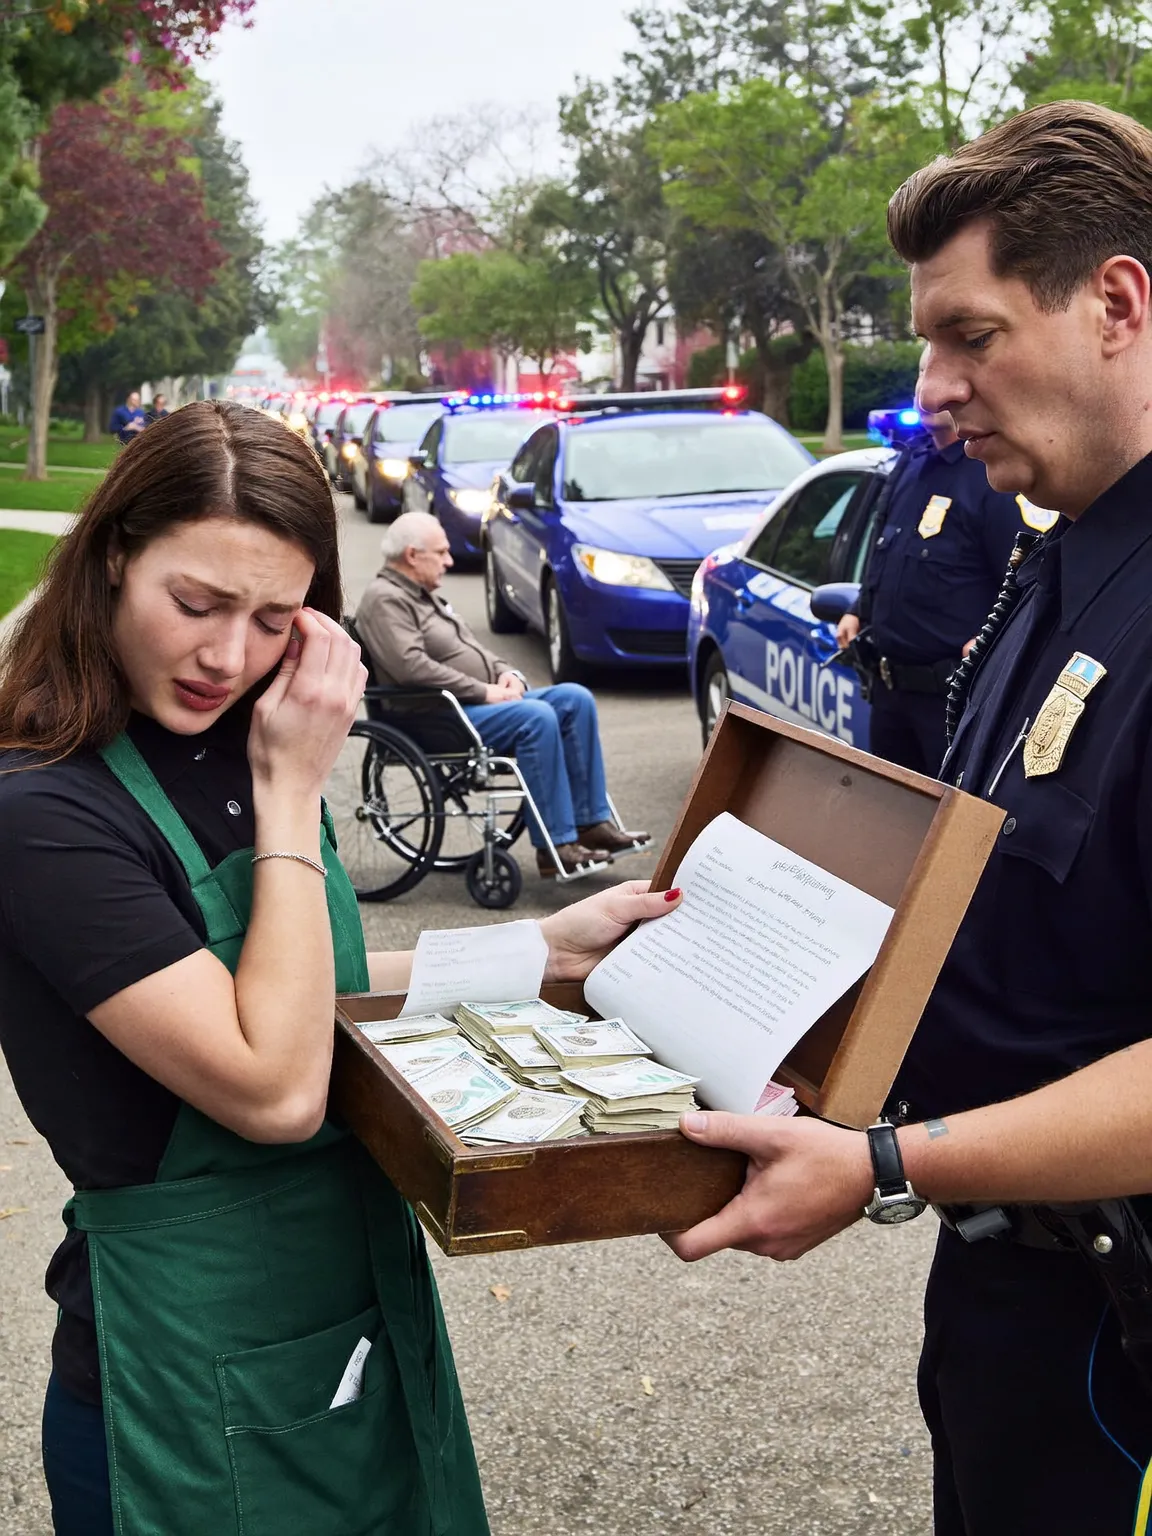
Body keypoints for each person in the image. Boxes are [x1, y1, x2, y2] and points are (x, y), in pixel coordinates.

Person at [0, 402, 680, 1535]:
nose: (229, 656)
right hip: (182, 1371)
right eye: (195, 604)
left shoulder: (244, 732)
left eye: (274, 617)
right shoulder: (45, 811)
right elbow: (273, 1084)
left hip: (348, 1328)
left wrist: (543, 951)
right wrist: (291, 791)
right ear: (115, 557)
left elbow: (302, 978)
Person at [664, 101, 1152, 1535]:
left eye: (971, 334)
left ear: (1117, 302)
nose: (932, 385)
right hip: (1015, 1295)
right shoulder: (1058, 555)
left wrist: (881, 1165)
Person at [355, 512, 650, 877]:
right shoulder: (386, 599)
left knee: (575, 699)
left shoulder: (421, 595)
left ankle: (591, 823)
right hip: (433, 717)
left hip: (470, 705)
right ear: (412, 555)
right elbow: (411, 668)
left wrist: (507, 673)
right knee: (536, 718)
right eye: (442, 552)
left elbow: (472, 649)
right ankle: (555, 845)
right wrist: (485, 691)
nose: (449, 561)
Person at [837, 356, 1048, 775]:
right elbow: (884, 552)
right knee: (892, 823)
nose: (929, 386)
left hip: (952, 703)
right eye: (922, 371)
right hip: (887, 690)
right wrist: (859, 609)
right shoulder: (910, 464)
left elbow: (1028, 583)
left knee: (948, 832)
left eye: (945, 370)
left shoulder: (992, 477)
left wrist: (994, 643)